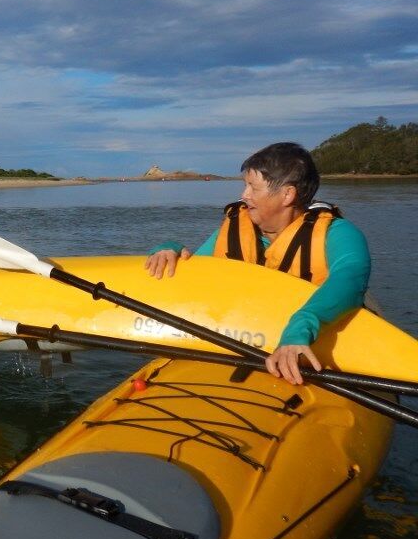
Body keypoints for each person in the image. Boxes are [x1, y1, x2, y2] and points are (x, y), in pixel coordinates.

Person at [144, 142, 370, 385]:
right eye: (245, 186)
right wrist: (169, 249)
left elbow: (350, 277)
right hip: (238, 343)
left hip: (309, 346)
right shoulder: (236, 227)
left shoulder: (337, 233)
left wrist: (300, 329)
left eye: (253, 187)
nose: (244, 195)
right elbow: (199, 267)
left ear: (287, 194)